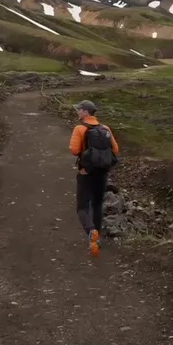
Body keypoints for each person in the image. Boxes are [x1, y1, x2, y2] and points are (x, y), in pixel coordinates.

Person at [69, 99, 120, 257]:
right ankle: (97, 239)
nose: (78, 112)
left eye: (79, 109)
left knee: (82, 207)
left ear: (85, 112)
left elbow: (74, 150)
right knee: (97, 204)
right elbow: (115, 150)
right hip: (102, 173)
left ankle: (91, 232)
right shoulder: (105, 128)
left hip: (86, 173)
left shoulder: (80, 128)